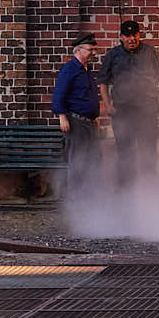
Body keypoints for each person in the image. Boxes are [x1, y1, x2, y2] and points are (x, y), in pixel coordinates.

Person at [100, 17, 159, 189]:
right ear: (121, 37)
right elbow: (103, 82)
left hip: (147, 110)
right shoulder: (113, 55)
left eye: (135, 35)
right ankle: (125, 190)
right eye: (127, 36)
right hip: (122, 111)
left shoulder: (150, 52)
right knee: (124, 150)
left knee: (148, 148)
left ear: (139, 35)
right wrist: (108, 105)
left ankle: (149, 187)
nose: (132, 39)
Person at [51, 32, 103, 204]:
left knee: (93, 159)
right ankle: (76, 199)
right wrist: (62, 116)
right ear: (79, 50)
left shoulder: (87, 71)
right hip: (75, 122)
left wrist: (94, 116)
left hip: (88, 122)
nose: (94, 52)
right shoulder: (70, 69)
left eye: (95, 49)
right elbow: (59, 94)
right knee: (77, 160)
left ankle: (90, 195)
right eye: (90, 49)